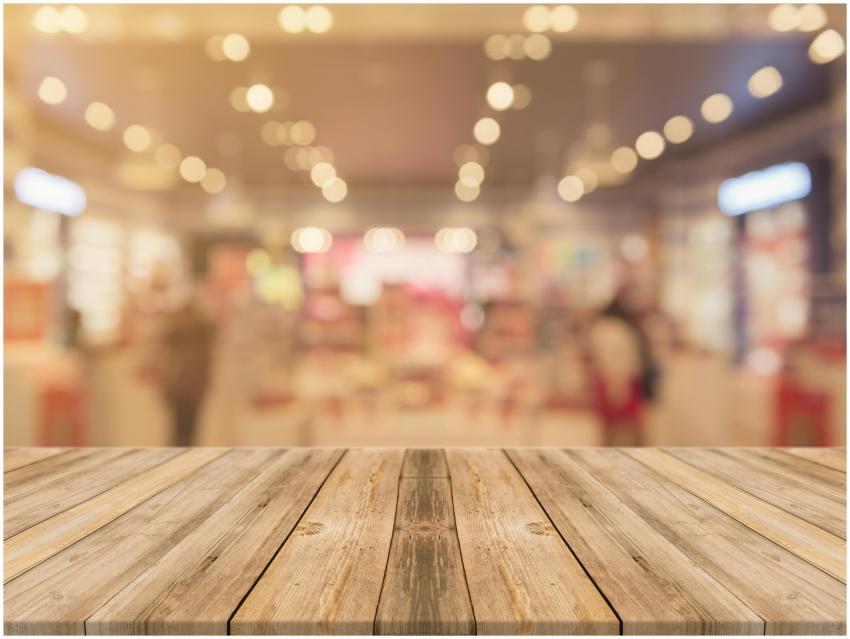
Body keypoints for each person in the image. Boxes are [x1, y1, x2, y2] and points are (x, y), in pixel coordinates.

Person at [586, 288, 660, 446]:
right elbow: (616, 360)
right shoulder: (616, 329)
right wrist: (618, 385)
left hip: (613, 381)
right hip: (620, 381)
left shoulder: (603, 327)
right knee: (631, 427)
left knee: (613, 428)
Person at [158, 298, 215, 446]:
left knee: (186, 430)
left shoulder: (198, 339)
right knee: (182, 430)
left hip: (189, 390)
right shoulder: (180, 338)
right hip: (183, 390)